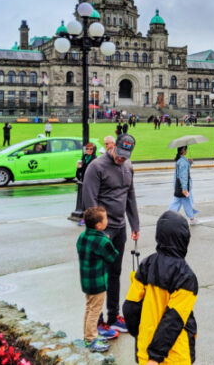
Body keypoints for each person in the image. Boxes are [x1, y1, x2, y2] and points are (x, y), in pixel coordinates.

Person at [82, 133, 140, 337]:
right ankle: (97, 322)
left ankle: (113, 317)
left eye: (125, 155)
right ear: (113, 147)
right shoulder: (96, 167)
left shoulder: (128, 166)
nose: (120, 158)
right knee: (99, 276)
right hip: (102, 230)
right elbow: (90, 201)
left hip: (120, 228)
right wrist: (97, 231)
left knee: (115, 273)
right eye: (118, 154)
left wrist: (135, 223)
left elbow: (130, 195)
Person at [123, 211, 198, 365]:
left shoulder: (146, 265)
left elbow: (130, 307)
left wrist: (140, 333)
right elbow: (173, 320)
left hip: (145, 349)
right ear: (184, 238)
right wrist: (155, 357)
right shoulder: (186, 276)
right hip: (173, 355)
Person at [77, 206, 120, 352]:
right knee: (95, 310)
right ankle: (90, 339)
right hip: (98, 281)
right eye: (105, 218)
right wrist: (107, 239)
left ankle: (90, 334)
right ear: (99, 225)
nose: (107, 220)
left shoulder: (82, 237)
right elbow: (113, 256)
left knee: (89, 308)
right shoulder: (102, 241)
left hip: (86, 281)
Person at [169, 146, 200, 225]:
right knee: (186, 202)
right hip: (183, 187)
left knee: (177, 202)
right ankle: (192, 219)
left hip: (179, 186)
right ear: (183, 150)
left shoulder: (180, 160)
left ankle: (168, 217)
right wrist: (184, 188)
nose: (187, 151)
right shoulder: (183, 162)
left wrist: (189, 163)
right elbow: (183, 176)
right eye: (186, 149)